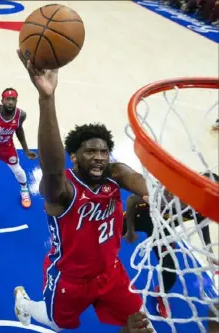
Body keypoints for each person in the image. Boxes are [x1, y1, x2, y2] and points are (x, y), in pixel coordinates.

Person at [14, 50, 155, 333]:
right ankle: (25, 305)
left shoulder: (114, 175)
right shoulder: (62, 188)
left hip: (111, 273)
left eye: (104, 151)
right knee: (59, 323)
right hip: (69, 280)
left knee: (140, 325)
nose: (100, 157)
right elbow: (52, 166)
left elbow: (137, 179)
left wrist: (160, 190)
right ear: (74, 157)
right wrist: (47, 99)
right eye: (90, 151)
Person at [124, 172, 219, 319]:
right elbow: (132, 200)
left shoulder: (204, 206)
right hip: (140, 218)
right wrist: (130, 230)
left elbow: (201, 224)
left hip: (163, 229)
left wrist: (209, 252)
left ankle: (161, 293)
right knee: (104, 231)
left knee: (170, 270)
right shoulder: (170, 192)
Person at [0, 88, 37, 208]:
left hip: (6, 146)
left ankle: (24, 189)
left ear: (16, 101)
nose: (10, 102)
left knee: (18, 170)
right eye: (7, 99)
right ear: (2, 100)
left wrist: (26, 149)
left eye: (13, 99)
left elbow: (19, 130)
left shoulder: (21, 115)